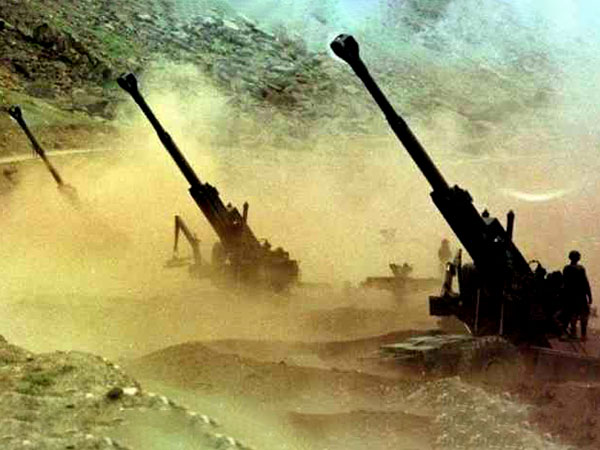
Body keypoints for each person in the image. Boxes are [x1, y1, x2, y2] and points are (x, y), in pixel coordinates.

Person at [562, 250, 593, 341]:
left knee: (573, 315)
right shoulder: (581, 268)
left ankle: (573, 334)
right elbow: (586, 283)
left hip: (571, 295)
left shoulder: (566, 269)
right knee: (583, 316)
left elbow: (565, 283)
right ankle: (583, 335)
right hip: (581, 295)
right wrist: (589, 296)